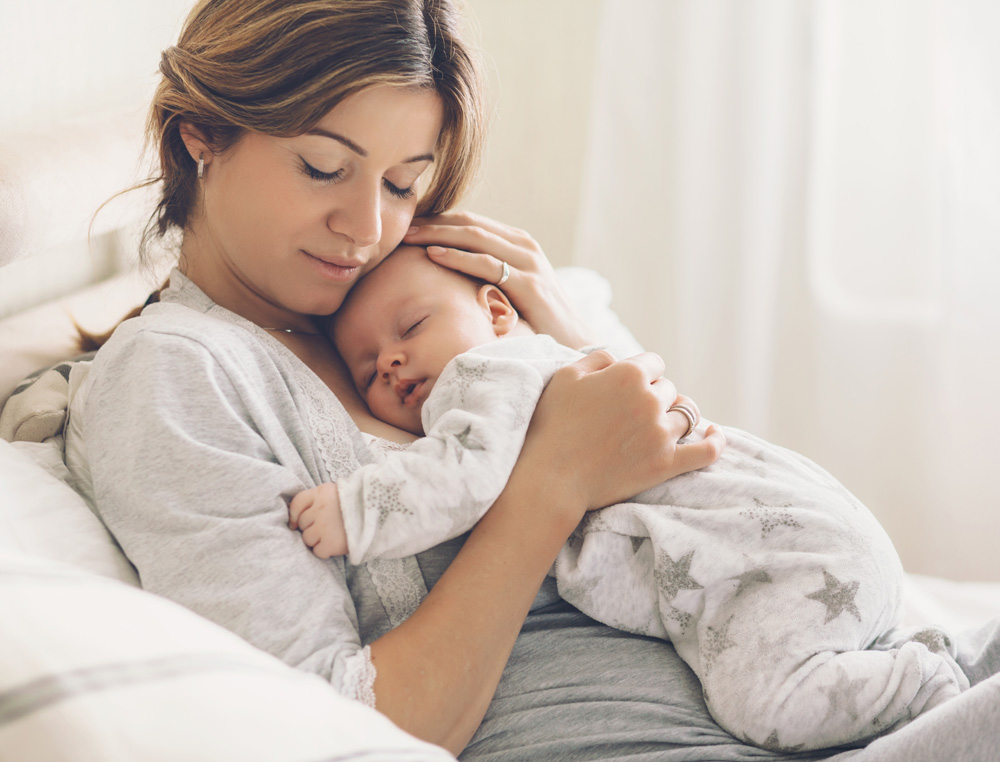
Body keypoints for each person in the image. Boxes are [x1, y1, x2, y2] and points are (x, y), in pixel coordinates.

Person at [63, 1, 1000, 760]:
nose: (364, 227)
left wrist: (569, 332)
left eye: (402, 184)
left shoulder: (415, 292)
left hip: (833, 672)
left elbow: (696, 498)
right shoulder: (178, 376)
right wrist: (552, 480)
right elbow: (336, 727)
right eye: (322, 167)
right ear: (202, 138)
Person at [288, 245, 967, 751]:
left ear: (497, 311)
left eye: (409, 330)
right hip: (805, 541)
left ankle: (925, 688)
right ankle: (931, 658)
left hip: (773, 556)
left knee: (767, 701)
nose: (393, 364)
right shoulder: (562, 368)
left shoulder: (487, 375)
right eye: (370, 369)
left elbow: (457, 480)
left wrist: (357, 510)